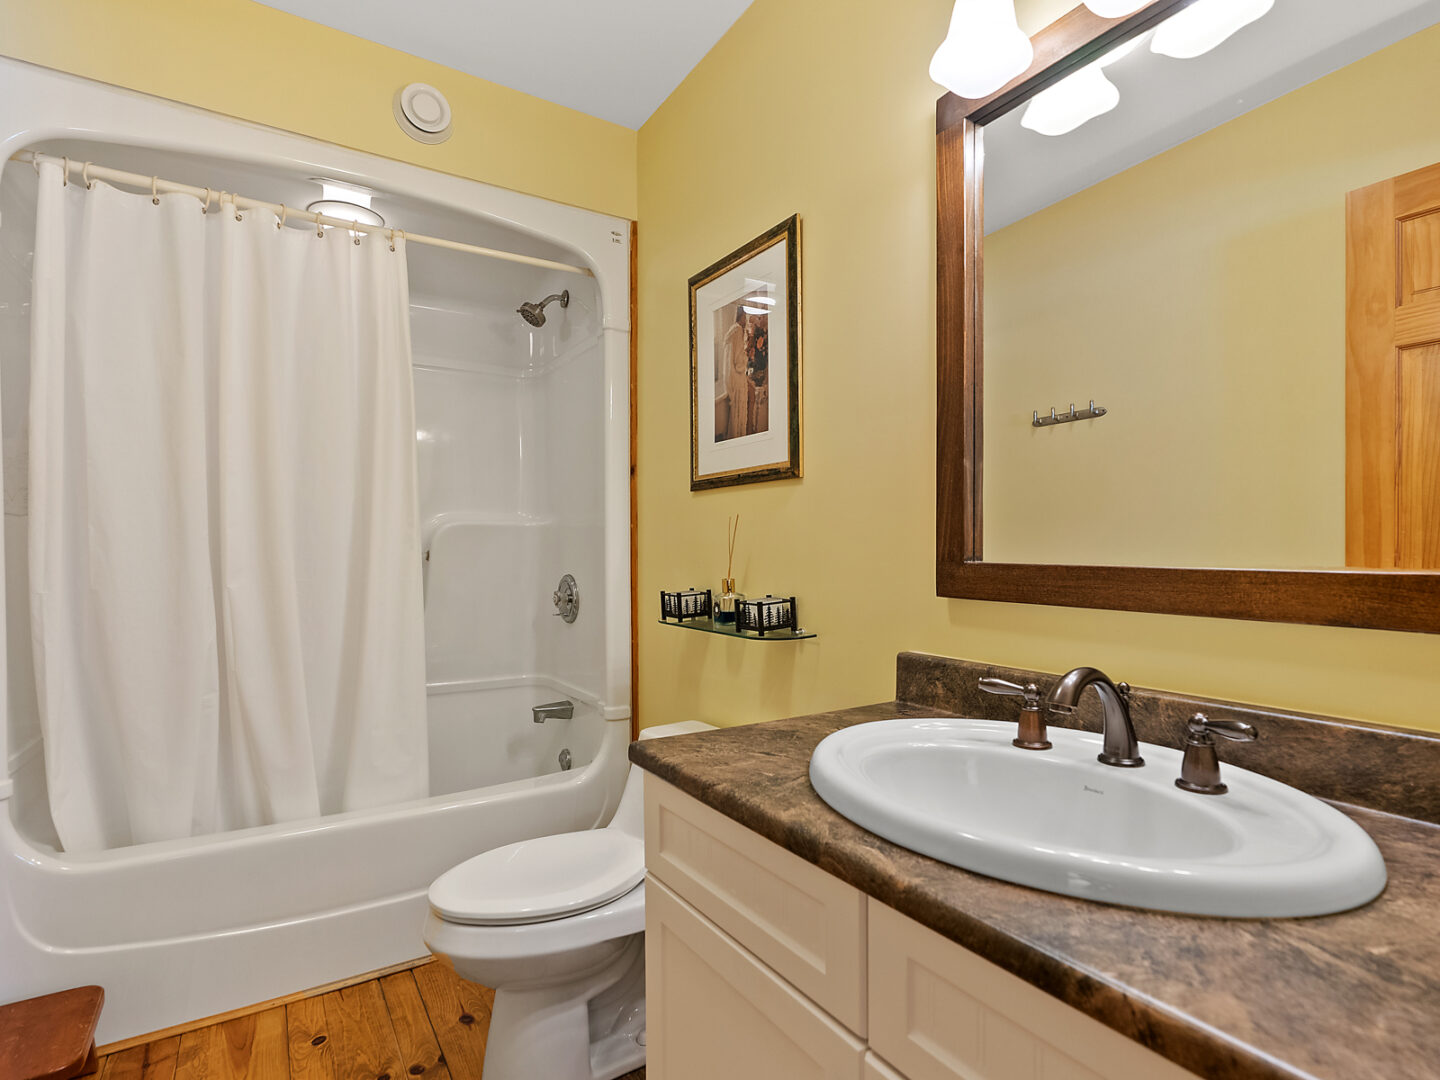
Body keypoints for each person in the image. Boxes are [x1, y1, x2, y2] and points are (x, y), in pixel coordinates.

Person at [722, 304, 750, 440]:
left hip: (730, 378)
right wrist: (747, 355)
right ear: (742, 316)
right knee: (739, 415)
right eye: (746, 317)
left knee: (734, 415)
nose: (747, 321)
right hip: (738, 379)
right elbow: (739, 363)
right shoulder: (738, 330)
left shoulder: (730, 331)